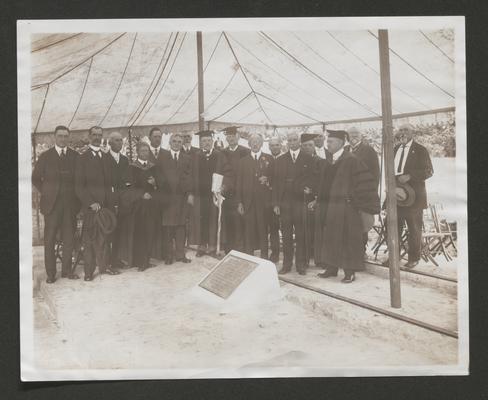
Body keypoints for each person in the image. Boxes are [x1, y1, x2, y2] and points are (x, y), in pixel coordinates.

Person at [313, 130, 380, 283]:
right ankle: (331, 267)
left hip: (347, 208)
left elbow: (365, 183)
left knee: (348, 239)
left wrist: (353, 199)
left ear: (341, 143)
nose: (327, 144)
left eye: (330, 142)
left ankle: (349, 271)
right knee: (330, 237)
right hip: (331, 207)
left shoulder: (351, 160)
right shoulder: (330, 160)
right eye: (327, 142)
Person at [32, 125, 80, 283]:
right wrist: (46, 192)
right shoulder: (45, 156)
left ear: (69, 137)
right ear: (54, 137)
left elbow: (80, 181)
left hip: (70, 206)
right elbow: (36, 178)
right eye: (60, 136)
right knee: (50, 240)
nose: (63, 139)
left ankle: (67, 271)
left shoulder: (75, 156)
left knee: (69, 239)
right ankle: (51, 274)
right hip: (51, 206)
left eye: (66, 136)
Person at [75, 126, 119, 281]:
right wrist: (90, 203)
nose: (97, 137)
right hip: (91, 208)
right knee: (90, 240)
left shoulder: (107, 157)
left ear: (103, 137)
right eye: (94, 135)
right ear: (89, 136)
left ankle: (105, 267)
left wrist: (112, 203)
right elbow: (79, 186)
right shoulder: (82, 158)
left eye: (99, 135)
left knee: (105, 238)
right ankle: (88, 272)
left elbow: (111, 183)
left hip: (106, 207)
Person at [273, 132, 315, 275]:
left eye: (294, 140)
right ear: (287, 142)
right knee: (285, 234)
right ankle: (286, 264)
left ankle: (301, 264)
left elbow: (313, 178)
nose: (292, 142)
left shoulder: (308, 159)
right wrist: (276, 204)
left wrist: (310, 189)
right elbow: (276, 183)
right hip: (285, 203)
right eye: (289, 140)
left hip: (300, 202)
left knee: (301, 234)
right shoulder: (281, 160)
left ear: (299, 141)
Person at [392, 123, 433, 268]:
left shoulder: (420, 150)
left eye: (406, 130)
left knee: (414, 228)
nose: (402, 133)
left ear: (412, 133)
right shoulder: (395, 148)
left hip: (414, 197)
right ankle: (393, 258)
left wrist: (410, 176)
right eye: (400, 130)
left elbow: (429, 171)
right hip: (396, 196)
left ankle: (414, 258)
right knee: (393, 227)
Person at [187, 130, 233, 257]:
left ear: (212, 141)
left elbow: (228, 173)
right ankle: (201, 246)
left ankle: (213, 246)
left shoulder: (220, 155)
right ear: (200, 143)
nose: (206, 143)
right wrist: (190, 193)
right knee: (201, 220)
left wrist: (224, 186)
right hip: (199, 195)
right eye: (203, 141)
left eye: (208, 140)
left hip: (214, 195)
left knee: (213, 220)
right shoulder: (195, 156)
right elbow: (190, 176)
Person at [118, 142, 161, 271]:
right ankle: (139, 262)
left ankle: (146, 260)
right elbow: (126, 188)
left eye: (147, 151)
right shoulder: (131, 168)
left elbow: (160, 188)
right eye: (142, 151)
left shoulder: (153, 167)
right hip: (136, 207)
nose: (145, 153)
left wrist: (154, 184)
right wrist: (142, 194)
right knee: (138, 233)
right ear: (137, 152)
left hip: (151, 206)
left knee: (150, 232)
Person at [157, 133, 193, 265]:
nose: (177, 143)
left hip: (181, 198)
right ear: (170, 142)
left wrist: (186, 191)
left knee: (181, 227)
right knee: (168, 228)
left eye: (179, 141)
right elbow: (159, 176)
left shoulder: (187, 158)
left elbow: (189, 176)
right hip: (167, 198)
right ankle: (168, 256)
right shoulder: (162, 157)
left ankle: (180, 254)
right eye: (175, 141)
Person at [236, 133, 274, 259]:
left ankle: (264, 256)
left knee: (263, 228)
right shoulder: (242, 162)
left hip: (264, 202)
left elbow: (275, 179)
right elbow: (239, 184)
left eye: (258, 141)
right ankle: (249, 255)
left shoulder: (269, 159)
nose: (255, 143)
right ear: (249, 144)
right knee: (248, 229)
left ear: (262, 144)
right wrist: (240, 202)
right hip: (248, 202)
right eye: (253, 141)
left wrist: (268, 179)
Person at [347, 126, 380, 254]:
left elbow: (375, 174)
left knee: (362, 225)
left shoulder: (369, 151)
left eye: (356, 134)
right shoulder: (344, 150)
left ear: (361, 136)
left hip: (363, 195)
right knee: (349, 225)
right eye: (351, 134)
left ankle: (361, 253)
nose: (354, 136)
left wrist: (369, 193)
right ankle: (349, 253)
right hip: (347, 196)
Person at [222, 126, 250, 253]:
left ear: (238, 137)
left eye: (233, 136)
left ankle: (240, 247)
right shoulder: (222, 152)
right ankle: (229, 247)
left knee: (240, 219)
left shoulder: (246, 151)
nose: (231, 139)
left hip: (241, 191)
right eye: (229, 136)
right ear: (226, 138)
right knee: (228, 220)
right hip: (227, 192)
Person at [107, 131, 130, 269]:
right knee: (110, 230)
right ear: (109, 142)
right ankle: (108, 260)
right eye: (116, 140)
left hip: (122, 201)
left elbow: (127, 180)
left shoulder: (125, 160)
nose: (119, 143)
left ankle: (116, 259)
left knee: (120, 230)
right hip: (109, 201)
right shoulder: (104, 158)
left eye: (121, 140)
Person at [146, 127, 165, 259]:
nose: (157, 139)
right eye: (155, 137)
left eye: (159, 137)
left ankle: (162, 252)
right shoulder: (144, 153)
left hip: (163, 195)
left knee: (162, 225)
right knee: (151, 224)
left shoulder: (166, 153)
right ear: (150, 138)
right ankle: (151, 253)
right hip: (150, 196)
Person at [267, 136, 283, 262]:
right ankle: (275, 252)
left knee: (287, 228)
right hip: (271, 199)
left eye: (277, 145)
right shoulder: (266, 159)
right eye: (272, 145)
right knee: (273, 227)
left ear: (281, 145)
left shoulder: (286, 159)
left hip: (286, 199)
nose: (274, 147)